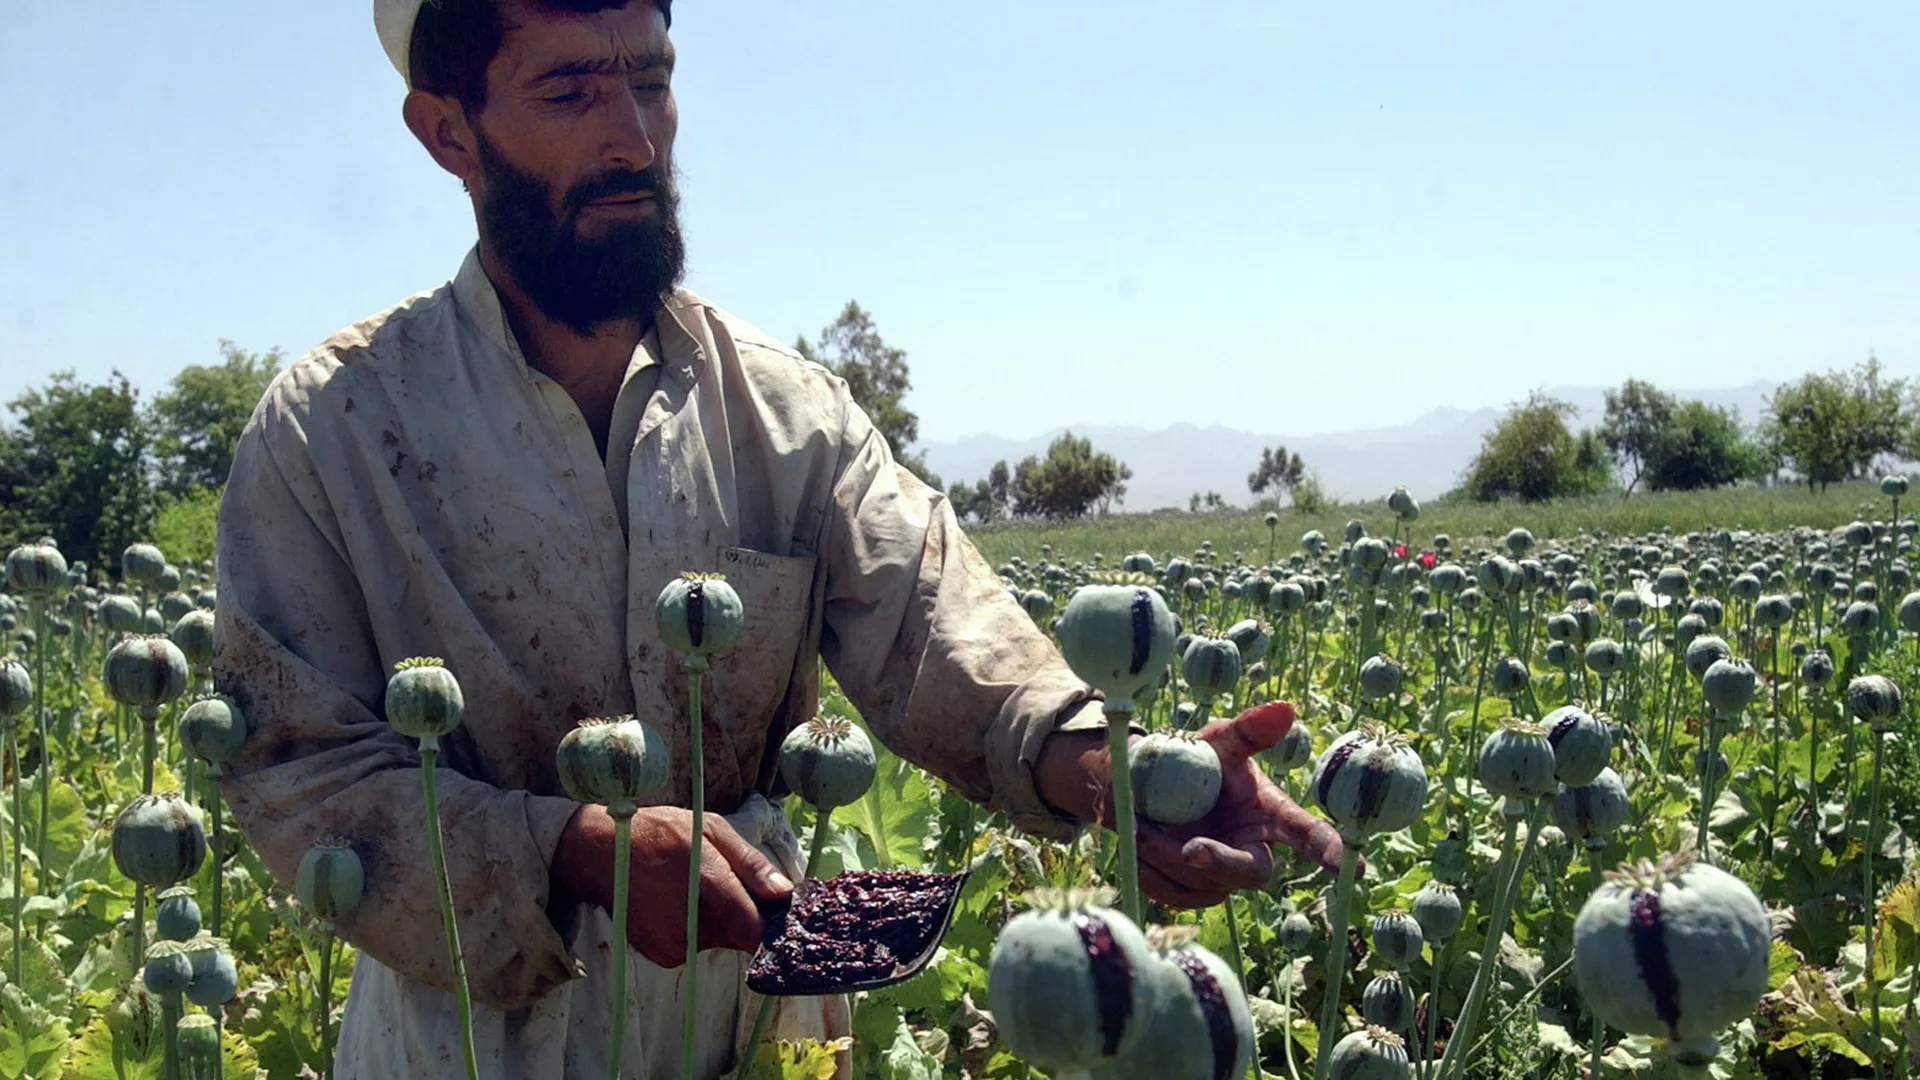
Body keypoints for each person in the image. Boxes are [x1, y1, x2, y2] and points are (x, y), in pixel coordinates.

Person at [212, 1, 1347, 1077]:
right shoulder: (337, 426)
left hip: (766, 1021)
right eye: (568, 91)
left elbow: (936, 628)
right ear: (447, 131)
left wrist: (1115, 773)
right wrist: (572, 849)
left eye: (651, 82)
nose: (632, 138)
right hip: (469, 1031)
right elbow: (298, 774)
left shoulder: (786, 411)